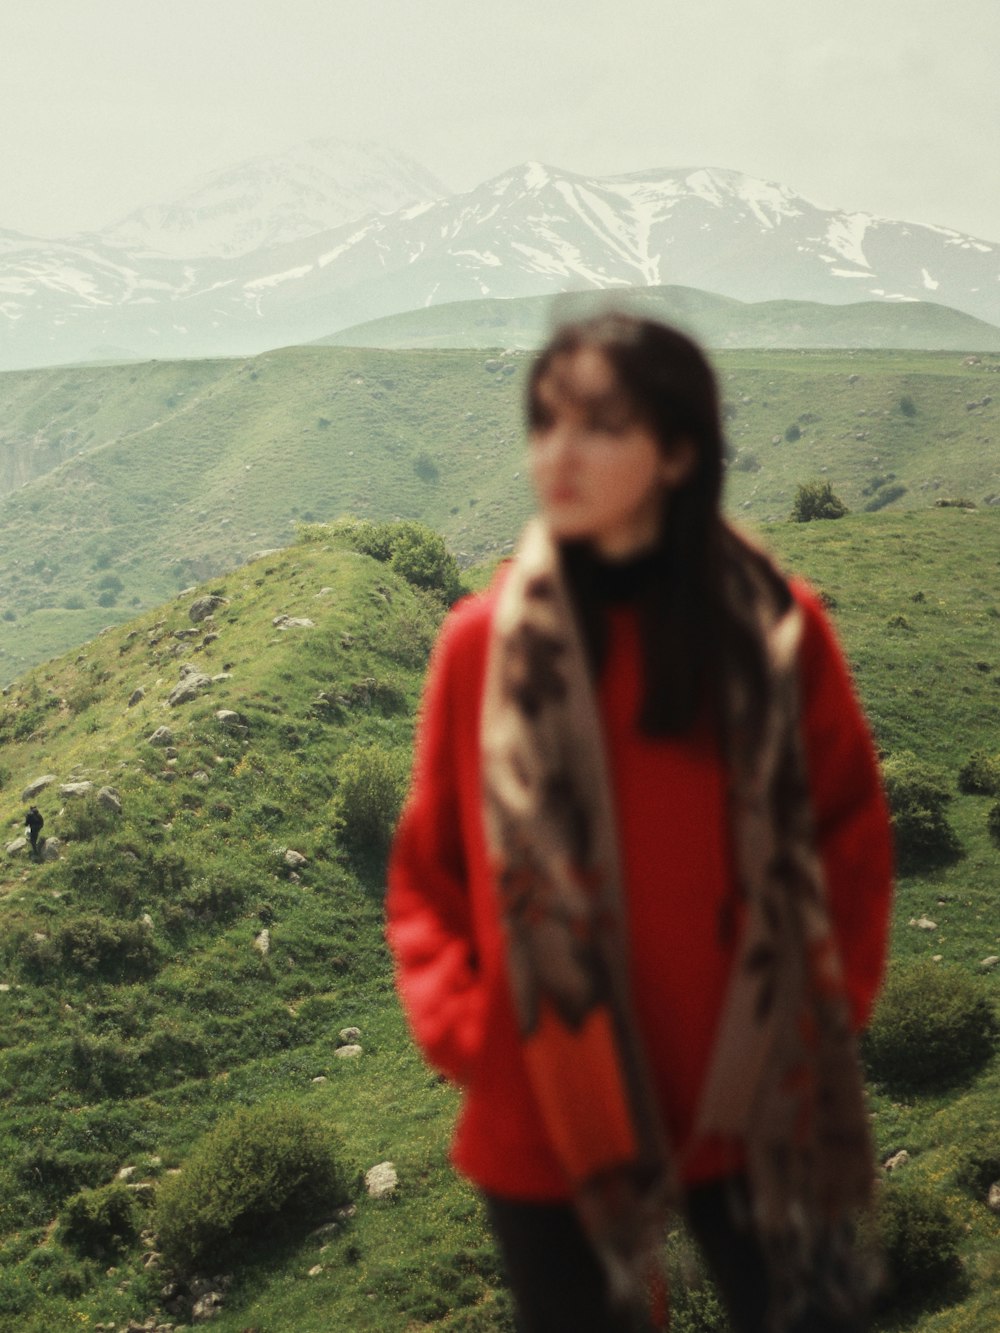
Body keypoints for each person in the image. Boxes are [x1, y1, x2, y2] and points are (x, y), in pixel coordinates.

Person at [386, 313, 893, 1333]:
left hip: (760, 1095)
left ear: (676, 450)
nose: (557, 454)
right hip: (547, 1100)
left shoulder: (774, 630)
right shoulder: (481, 643)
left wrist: (818, 1014)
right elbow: (429, 873)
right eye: (544, 424)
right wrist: (476, 1035)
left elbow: (849, 835)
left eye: (599, 426)